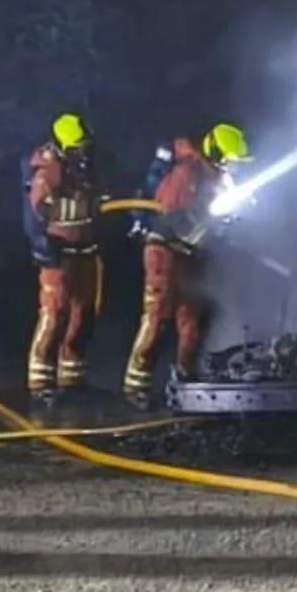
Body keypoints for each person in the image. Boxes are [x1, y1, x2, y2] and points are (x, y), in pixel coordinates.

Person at [123, 123, 252, 402]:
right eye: (232, 161)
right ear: (216, 154)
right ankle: (137, 385)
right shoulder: (186, 174)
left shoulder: (215, 178)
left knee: (192, 319)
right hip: (165, 250)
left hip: (191, 253)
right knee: (158, 316)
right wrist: (210, 233)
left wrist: (225, 226)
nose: (235, 168)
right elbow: (173, 218)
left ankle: (186, 379)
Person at [23, 112, 105, 394]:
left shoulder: (88, 172)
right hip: (59, 255)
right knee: (54, 314)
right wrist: (44, 248)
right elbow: (37, 214)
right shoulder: (47, 174)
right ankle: (40, 381)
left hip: (86, 252)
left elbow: (100, 203)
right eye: (75, 149)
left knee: (83, 314)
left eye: (83, 147)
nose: (81, 153)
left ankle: (72, 378)